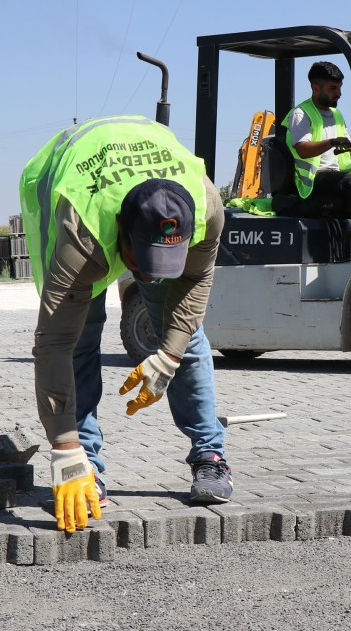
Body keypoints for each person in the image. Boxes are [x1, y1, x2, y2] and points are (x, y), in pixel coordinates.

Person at [19, 115, 234, 534]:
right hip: (65, 183)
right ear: (121, 234)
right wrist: (63, 449)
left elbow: (195, 282)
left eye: (164, 264)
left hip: (142, 178)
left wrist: (169, 354)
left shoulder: (207, 206)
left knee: (187, 338)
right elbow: (53, 344)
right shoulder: (82, 227)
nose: (151, 279)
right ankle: (86, 467)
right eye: (143, 265)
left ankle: (210, 456)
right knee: (79, 338)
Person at [277, 61, 351, 241]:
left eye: (339, 88)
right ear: (316, 88)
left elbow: (348, 149)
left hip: (336, 177)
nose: (338, 93)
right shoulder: (301, 113)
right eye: (333, 88)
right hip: (313, 180)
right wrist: (331, 142)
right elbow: (302, 150)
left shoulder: (336, 114)